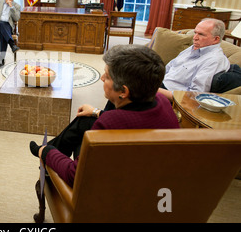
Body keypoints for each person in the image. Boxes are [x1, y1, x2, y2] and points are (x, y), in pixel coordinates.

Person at [29, 44, 180, 187]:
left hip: (116, 191)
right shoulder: (163, 102)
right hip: (149, 174)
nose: (101, 78)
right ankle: (51, 148)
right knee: (86, 120)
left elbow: (74, 176)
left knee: (54, 150)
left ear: (124, 91)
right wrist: (95, 112)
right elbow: (130, 122)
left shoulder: (110, 122)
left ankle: (46, 152)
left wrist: (48, 153)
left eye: (107, 76)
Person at [158, 18, 230, 102]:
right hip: (159, 84)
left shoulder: (214, 60)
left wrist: (155, 91)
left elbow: (194, 95)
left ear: (216, 39)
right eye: (195, 32)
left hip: (169, 95)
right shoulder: (195, 47)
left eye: (201, 34)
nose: (195, 38)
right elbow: (169, 67)